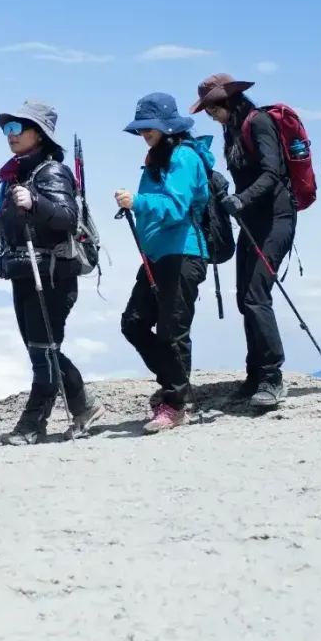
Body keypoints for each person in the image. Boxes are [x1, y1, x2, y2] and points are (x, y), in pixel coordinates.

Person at [0, 100, 107, 445]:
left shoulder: (51, 172)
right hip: (26, 272)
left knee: (42, 350)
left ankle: (33, 425)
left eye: (16, 128)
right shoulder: (17, 175)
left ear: (39, 134)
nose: (9, 135)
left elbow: (66, 216)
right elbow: (2, 224)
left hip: (50, 275)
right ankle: (84, 406)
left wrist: (35, 204)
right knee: (44, 349)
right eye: (7, 129)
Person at [189, 73, 296, 408]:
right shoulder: (232, 128)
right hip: (253, 220)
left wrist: (242, 198)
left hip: (276, 219)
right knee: (244, 299)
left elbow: (273, 173)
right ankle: (254, 376)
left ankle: (271, 378)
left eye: (212, 108)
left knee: (255, 295)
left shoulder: (259, 122)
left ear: (228, 100)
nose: (210, 115)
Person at [114, 92, 214, 434]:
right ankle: (176, 386)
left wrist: (137, 201)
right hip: (159, 255)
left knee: (172, 331)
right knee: (134, 323)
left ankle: (174, 403)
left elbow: (176, 207)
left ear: (167, 125)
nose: (144, 133)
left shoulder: (184, 157)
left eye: (149, 127)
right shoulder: (158, 156)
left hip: (184, 252)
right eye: (141, 128)